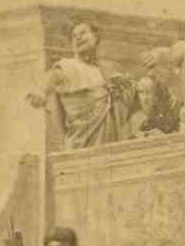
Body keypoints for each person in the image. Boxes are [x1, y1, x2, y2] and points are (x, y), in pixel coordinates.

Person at [27, 20, 125, 151]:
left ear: (96, 37)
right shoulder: (68, 66)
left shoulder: (104, 70)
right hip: (80, 145)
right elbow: (52, 76)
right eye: (74, 36)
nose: (78, 38)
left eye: (83, 33)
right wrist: (40, 91)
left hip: (107, 145)